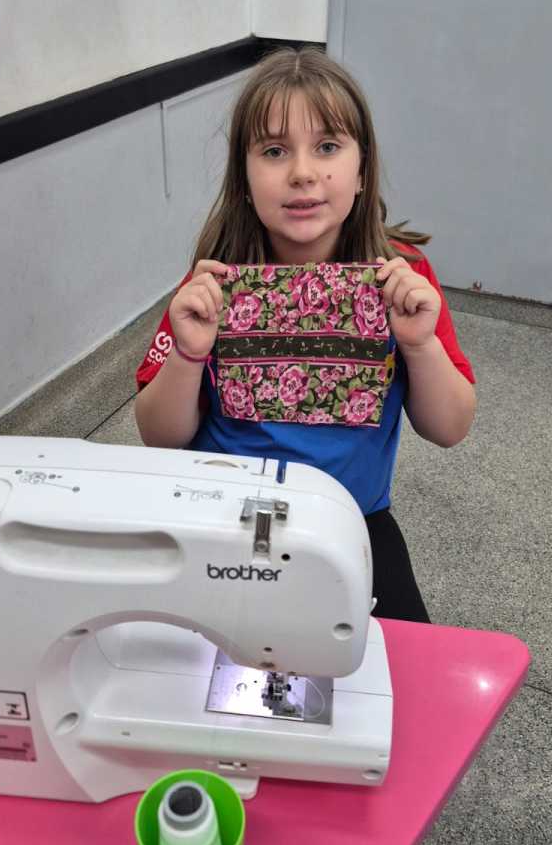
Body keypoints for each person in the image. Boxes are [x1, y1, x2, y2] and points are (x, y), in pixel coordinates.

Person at [135, 48, 476, 621]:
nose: (302, 172)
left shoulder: (402, 277)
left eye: (327, 146)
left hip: (350, 520)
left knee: (405, 664)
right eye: (274, 151)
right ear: (244, 179)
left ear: (362, 171)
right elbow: (160, 435)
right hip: (219, 516)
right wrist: (189, 355)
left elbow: (450, 428)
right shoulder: (213, 284)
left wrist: (420, 345)